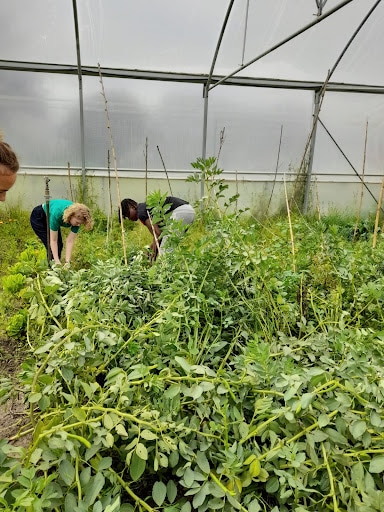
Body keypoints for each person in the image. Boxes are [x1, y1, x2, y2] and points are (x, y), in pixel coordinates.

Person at [120, 196, 195, 260]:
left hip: (180, 212)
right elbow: (160, 234)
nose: (129, 218)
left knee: (166, 251)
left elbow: (158, 234)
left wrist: (152, 255)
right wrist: (152, 248)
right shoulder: (145, 207)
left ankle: (167, 275)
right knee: (171, 246)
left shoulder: (140, 212)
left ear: (133, 207)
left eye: (127, 214)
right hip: (189, 210)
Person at [30, 199, 94, 265]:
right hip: (39, 217)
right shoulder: (57, 214)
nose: (78, 225)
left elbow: (70, 240)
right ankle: (52, 269)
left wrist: (67, 262)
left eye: (80, 223)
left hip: (51, 215)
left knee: (59, 245)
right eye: (77, 222)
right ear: (71, 215)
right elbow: (53, 241)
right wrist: (56, 260)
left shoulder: (78, 219)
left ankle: (57, 266)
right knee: (50, 245)